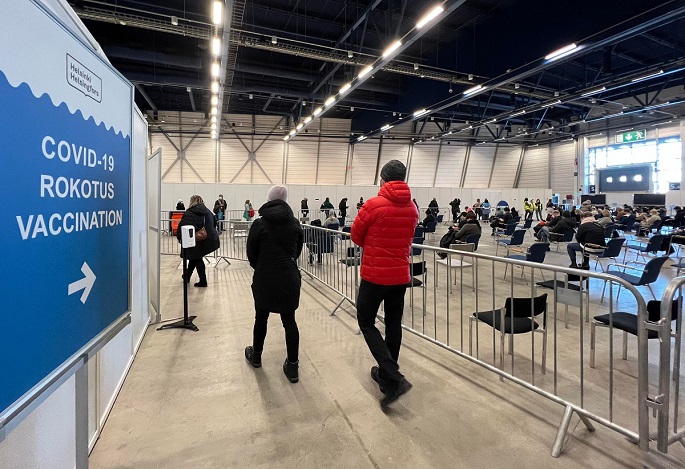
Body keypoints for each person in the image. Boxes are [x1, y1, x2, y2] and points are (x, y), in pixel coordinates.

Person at [351, 160, 418, 407]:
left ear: (383, 179)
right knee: (393, 324)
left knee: (366, 321)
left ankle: (392, 373)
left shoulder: (372, 205)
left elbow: (356, 236)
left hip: (375, 276)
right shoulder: (412, 207)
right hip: (400, 275)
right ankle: (388, 378)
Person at [244, 185, 304, 383]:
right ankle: (293, 366)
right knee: (289, 321)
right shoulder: (295, 224)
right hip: (289, 278)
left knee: (261, 317)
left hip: (265, 278)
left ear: (268, 200)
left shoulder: (259, 224)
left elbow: (251, 254)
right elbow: (297, 251)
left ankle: (256, 356)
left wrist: (262, 267)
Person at [176, 195, 219, 287]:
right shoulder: (207, 211)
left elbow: (183, 225)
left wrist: (179, 237)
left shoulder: (190, 212)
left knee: (197, 258)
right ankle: (187, 276)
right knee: (195, 257)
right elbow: (214, 221)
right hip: (208, 238)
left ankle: (203, 281)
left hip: (195, 239)